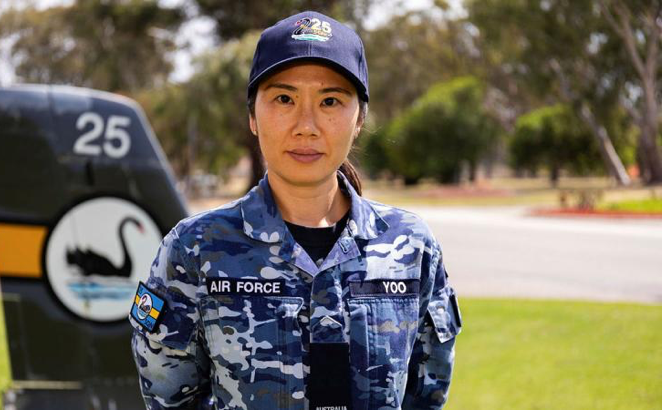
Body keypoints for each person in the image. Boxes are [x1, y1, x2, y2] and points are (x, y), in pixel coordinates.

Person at [128, 10, 462, 410]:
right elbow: (169, 397)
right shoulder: (196, 249)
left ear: (359, 120)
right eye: (284, 98)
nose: (307, 125)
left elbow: (426, 395)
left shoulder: (410, 246)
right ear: (253, 116)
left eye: (330, 101)